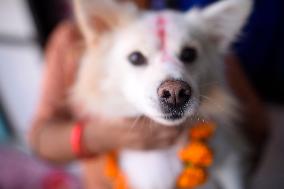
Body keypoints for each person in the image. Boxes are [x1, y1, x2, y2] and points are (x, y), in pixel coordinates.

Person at [29, 1, 269, 188]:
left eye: (187, 56)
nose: (174, 86)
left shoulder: (193, 29)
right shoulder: (70, 37)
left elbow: (257, 128)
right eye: (137, 58)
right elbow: (38, 140)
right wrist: (99, 137)